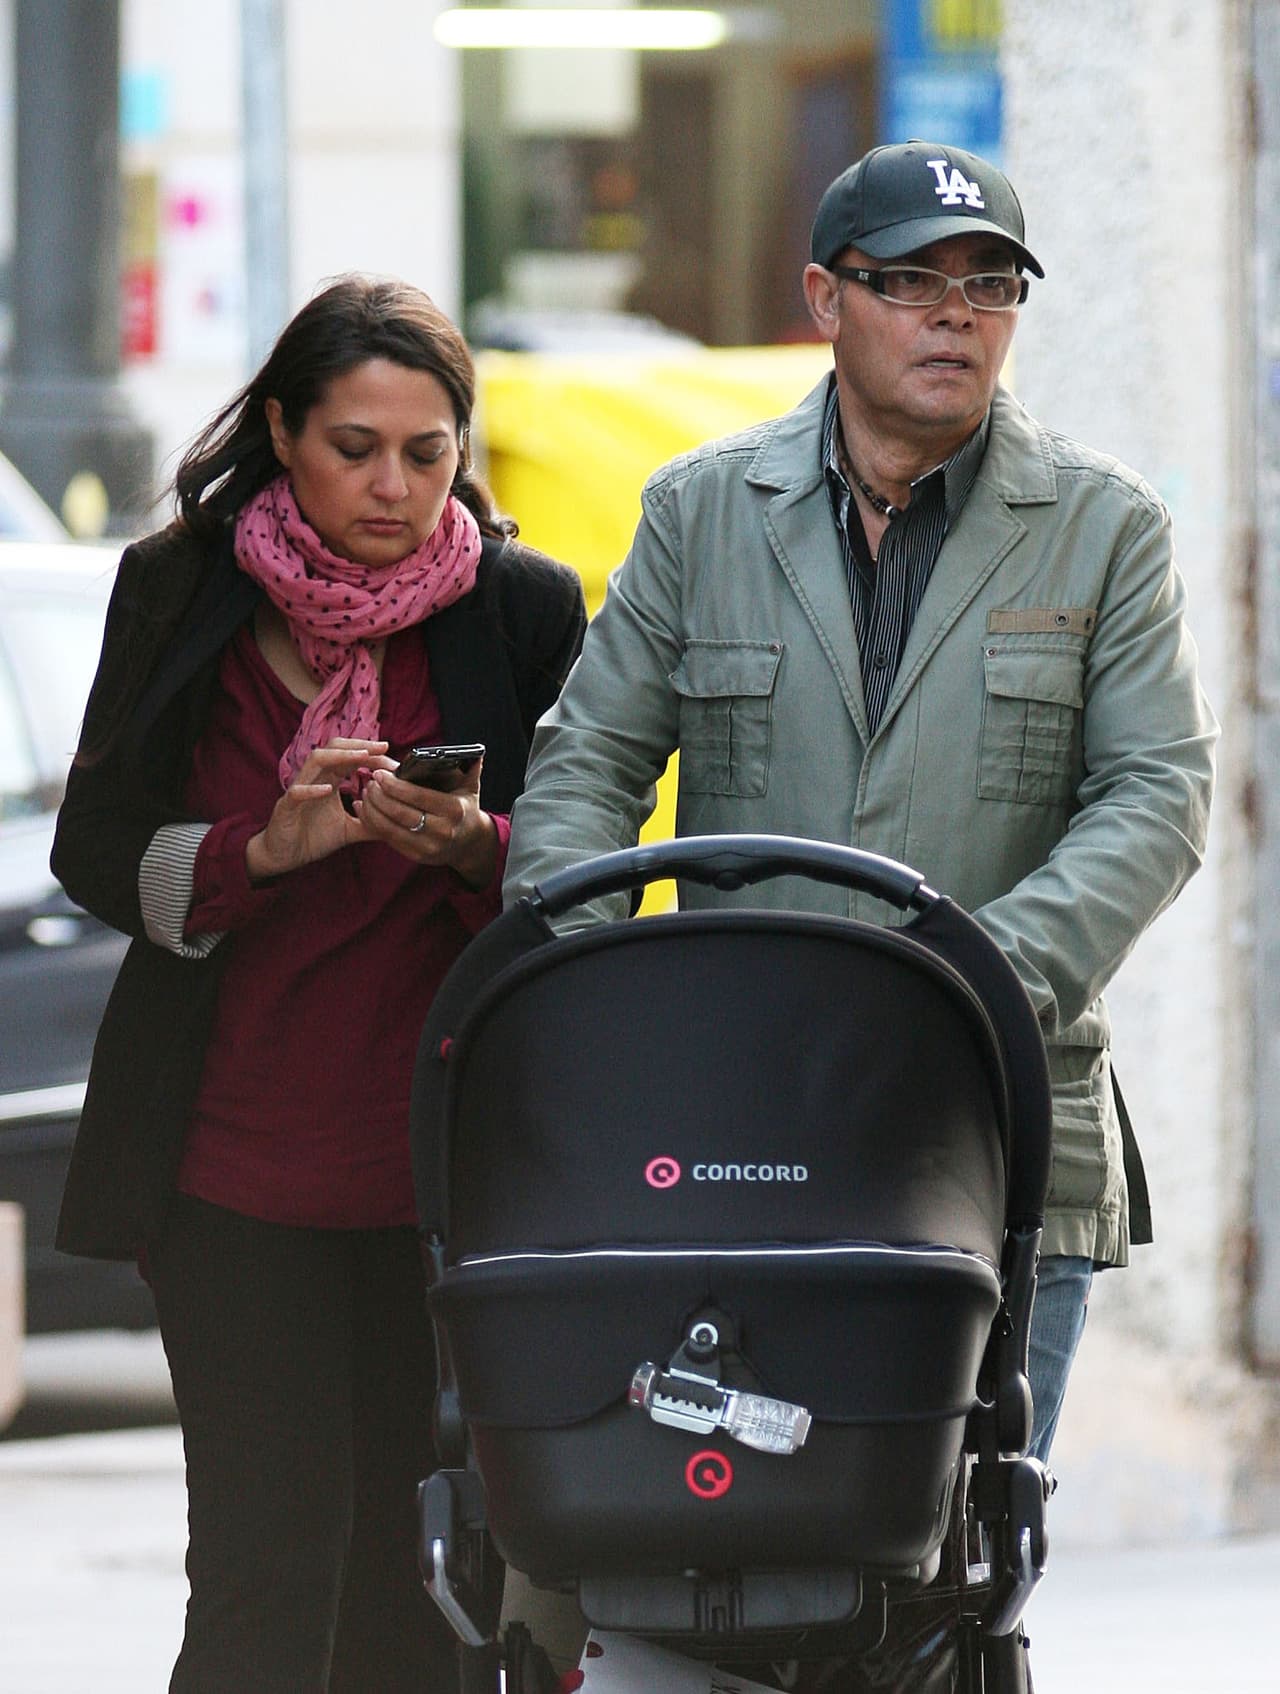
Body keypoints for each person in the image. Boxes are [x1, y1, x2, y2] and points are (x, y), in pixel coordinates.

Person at [504, 141, 1218, 1688]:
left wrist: (967, 979)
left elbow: (1157, 798)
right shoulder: (702, 514)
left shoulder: (1103, 529)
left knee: (943, 1574)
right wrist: (599, 1013)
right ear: (826, 299)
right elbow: (582, 781)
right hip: (726, 1139)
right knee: (717, 1567)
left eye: (989, 286)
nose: (955, 317)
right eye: (910, 282)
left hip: (994, 1130)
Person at [51, 275, 586, 1693]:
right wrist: (256, 850)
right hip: (226, 1169)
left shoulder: (518, 609)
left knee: (421, 1583)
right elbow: (94, 847)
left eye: (428, 451)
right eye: (355, 446)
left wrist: (483, 846)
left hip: (447, 1181)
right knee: (261, 1572)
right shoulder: (178, 591)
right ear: (282, 431)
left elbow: (597, 858)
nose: (395, 486)